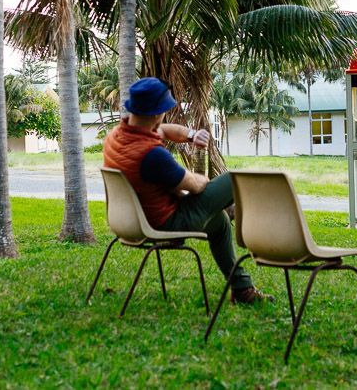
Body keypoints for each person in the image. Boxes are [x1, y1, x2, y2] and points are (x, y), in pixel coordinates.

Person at [103, 77, 271, 304]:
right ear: (156, 113)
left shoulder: (117, 137)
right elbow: (195, 185)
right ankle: (240, 216)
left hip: (131, 222)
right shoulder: (151, 155)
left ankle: (242, 289)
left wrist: (192, 135)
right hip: (166, 223)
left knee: (220, 223)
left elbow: (163, 130)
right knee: (234, 180)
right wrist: (202, 179)